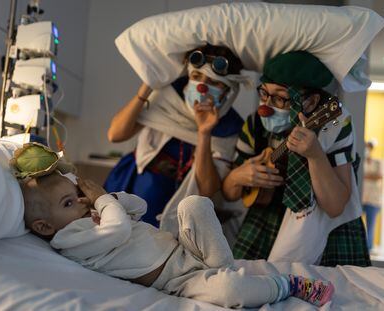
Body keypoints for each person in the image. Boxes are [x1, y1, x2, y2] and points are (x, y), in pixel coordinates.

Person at [21, 172, 334, 308]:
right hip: (180, 278)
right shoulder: (70, 239)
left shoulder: (95, 213)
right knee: (230, 291)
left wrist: (111, 198)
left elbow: (139, 208)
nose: (79, 202)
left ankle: (222, 265)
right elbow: (118, 230)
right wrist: (103, 201)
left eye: (75, 196)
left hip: (184, 247)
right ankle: (289, 285)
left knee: (193, 204)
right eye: (67, 203)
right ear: (45, 227)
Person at [223, 51, 371, 266]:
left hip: (326, 231)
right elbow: (228, 193)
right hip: (265, 221)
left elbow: (335, 207)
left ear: (310, 102)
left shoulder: (335, 127)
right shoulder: (255, 125)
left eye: (281, 98)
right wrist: (237, 176)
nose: (265, 107)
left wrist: (316, 155)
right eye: (264, 93)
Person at [105, 44, 246, 228]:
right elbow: (115, 134)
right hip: (131, 188)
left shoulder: (229, 128)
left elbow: (207, 190)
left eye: (214, 82)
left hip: (178, 217)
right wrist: (147, 87)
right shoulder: (166, 99)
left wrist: (204, 133)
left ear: (227, 91)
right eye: (196, 77)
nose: (202, 86)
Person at [362, 140, 383, 250]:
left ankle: (368, 249)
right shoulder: (361, 162)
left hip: (374, 201)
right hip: (361, 200)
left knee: (370, 227)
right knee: (358, 226)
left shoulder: (378, 162)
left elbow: (379, 176)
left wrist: (365, 176)